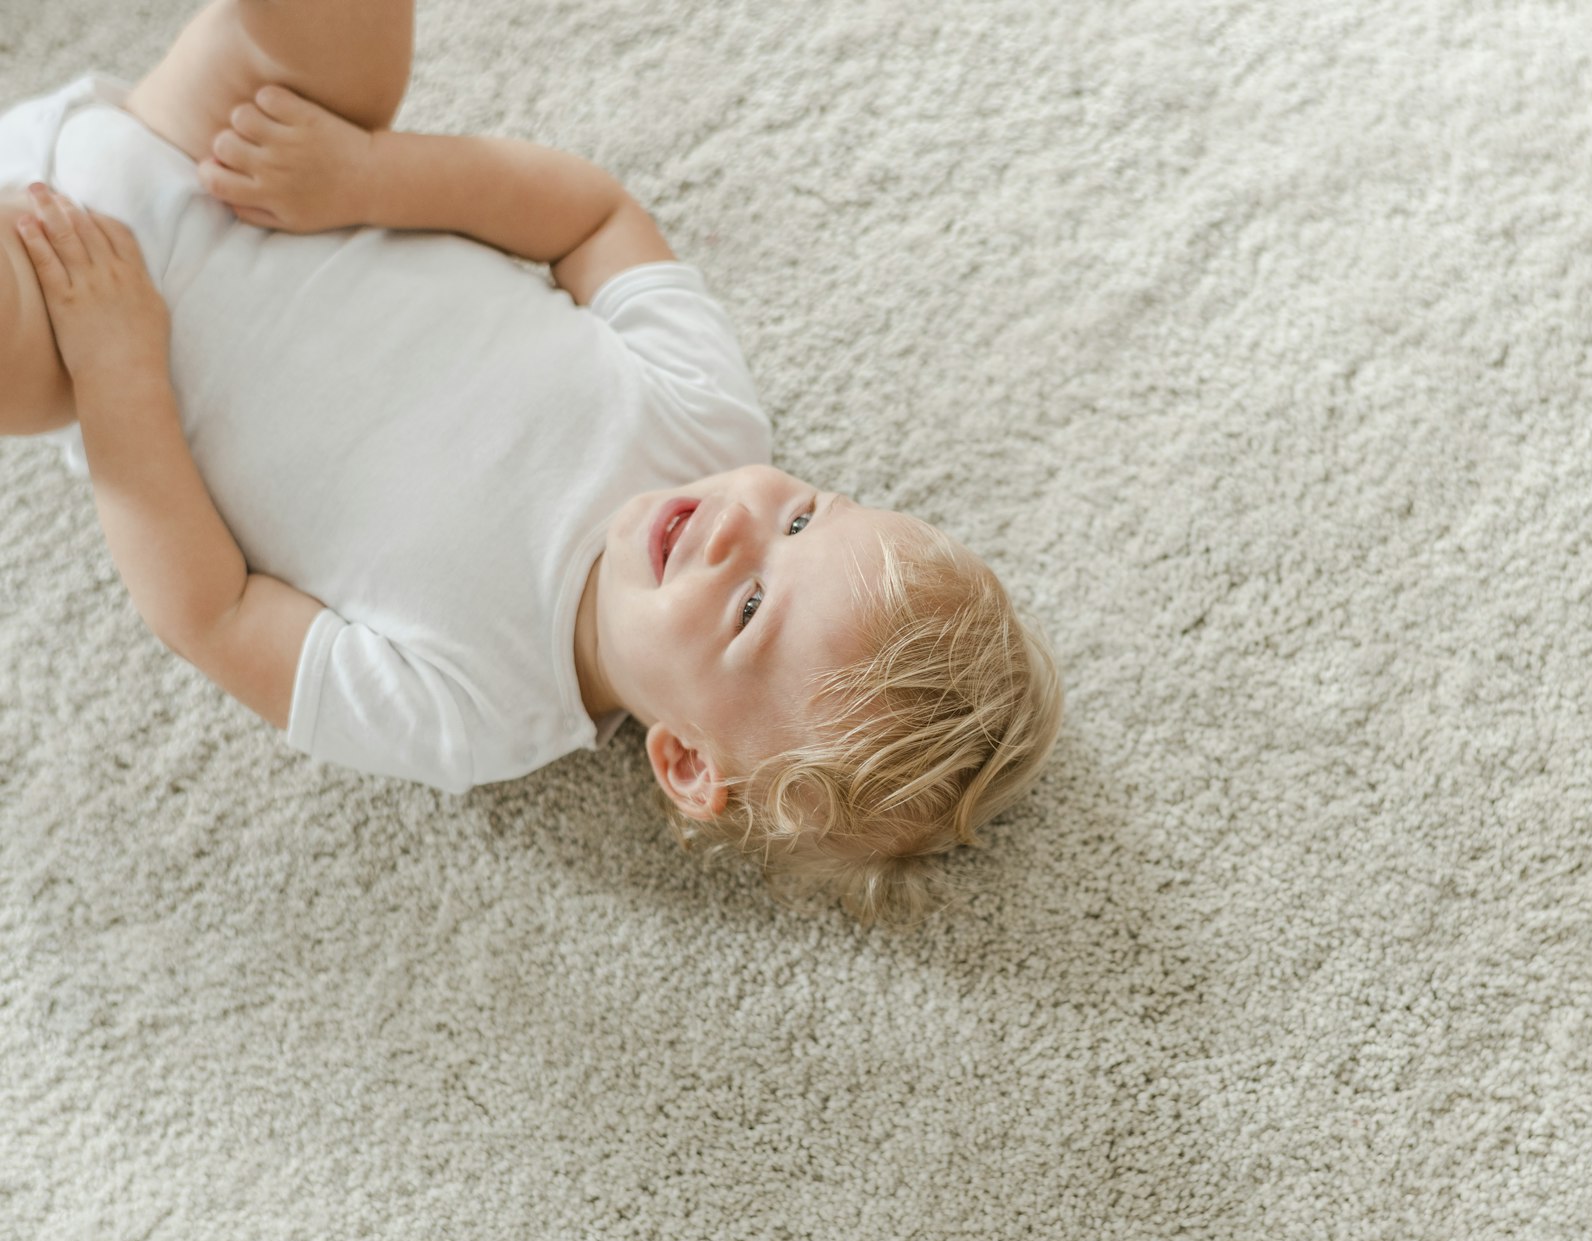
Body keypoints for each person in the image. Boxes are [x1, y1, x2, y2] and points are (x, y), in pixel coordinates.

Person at [0, 0, 1061, 927]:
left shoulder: (476, 710)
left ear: (688, 761)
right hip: (254, 145)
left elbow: (212, 613)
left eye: (747, 610)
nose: (740, 526)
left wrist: (117, 365)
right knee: (349, 47)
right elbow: (593, 219)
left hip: (71, 320)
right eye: (804, 520)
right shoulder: (705, 423)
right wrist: (370, 173)